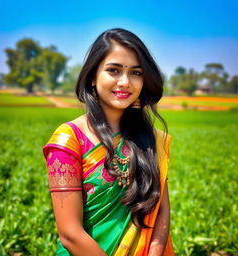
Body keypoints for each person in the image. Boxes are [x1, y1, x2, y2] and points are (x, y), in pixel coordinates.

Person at [43, 28, 174, 256]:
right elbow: (70, 233)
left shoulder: (151, 139)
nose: (124, 82)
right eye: (113, 70)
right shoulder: (69, 139)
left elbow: (162, 210)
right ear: (93, 76)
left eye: (136, 73)